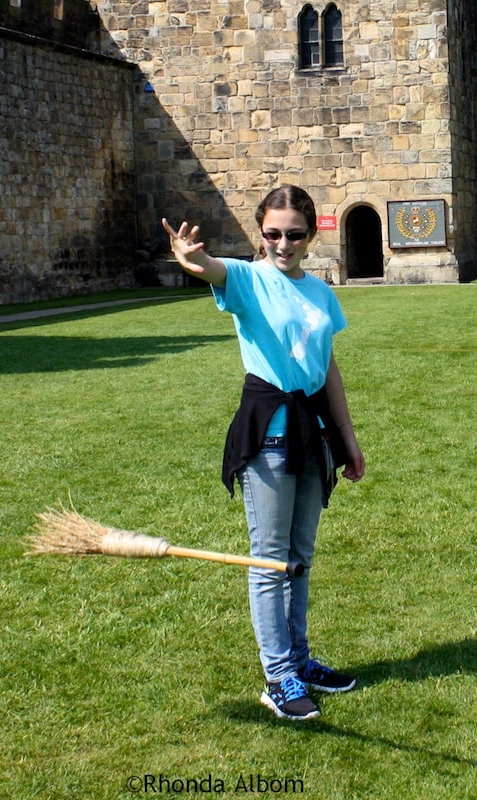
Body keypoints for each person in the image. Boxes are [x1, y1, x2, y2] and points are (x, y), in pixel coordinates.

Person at [162, 185, 365, 722]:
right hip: (269, 436)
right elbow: (211, 269)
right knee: (269, 559)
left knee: (299, 557)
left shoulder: (320, 292)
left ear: (311, 235)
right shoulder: (248, 279)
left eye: (294, 234)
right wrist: (190, 258)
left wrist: (346, 437)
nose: (283, 243)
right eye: (272, 233)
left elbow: (327, 366)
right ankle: (278, 677)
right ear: (260, 233)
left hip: (313, 433)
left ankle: (299, 661)